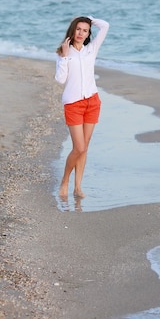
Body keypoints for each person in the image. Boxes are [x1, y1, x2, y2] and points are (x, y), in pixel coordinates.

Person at [55, 15, 109, 199]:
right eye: (78, 29)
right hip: (73, 104)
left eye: (85, 30)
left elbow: (106, 26)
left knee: (84, 147)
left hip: (92, 102)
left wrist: (89, 19)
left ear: (88, 34)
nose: (81, 33)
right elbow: (60, 79)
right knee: (78, 147)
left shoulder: (91, 50)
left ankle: (78, 188)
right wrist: (64, 57)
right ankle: (64, 181)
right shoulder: (65, 53)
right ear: (73, 30)